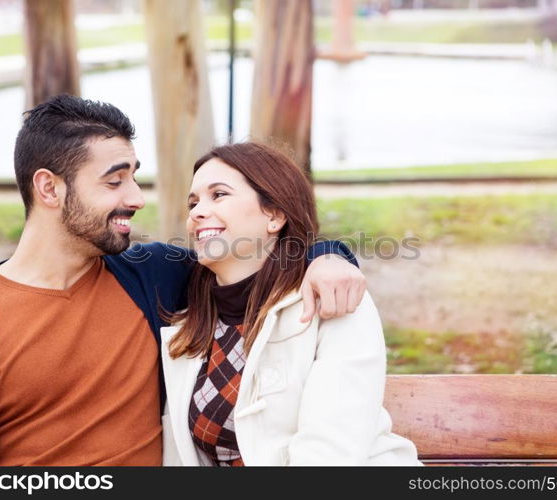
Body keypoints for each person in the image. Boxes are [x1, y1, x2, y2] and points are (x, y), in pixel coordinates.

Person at [0, 95, 367, 466]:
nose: (136, 198)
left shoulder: (154, 275)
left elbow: (259, 259)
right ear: (49, 189)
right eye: (115, 182)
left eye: (134, 177)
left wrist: (327, 256)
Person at [161, 142, 420, 466]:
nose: (196, 213)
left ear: (274, 215)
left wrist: (327, 255)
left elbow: (329, 455)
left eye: (219, 195)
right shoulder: (190, 322)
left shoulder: (332, 300)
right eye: (193, 202)